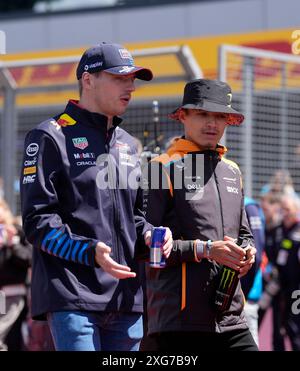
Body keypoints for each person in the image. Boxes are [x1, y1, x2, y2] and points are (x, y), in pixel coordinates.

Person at [20, 42, 172, 351]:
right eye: (120, 78)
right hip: (74, 298)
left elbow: (135, 219)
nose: (130, 87)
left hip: (127, 300)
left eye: (133, 80)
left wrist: (151, 236)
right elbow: (37, 222)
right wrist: (90, 252)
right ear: (88, 80)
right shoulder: (50, 136)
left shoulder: (128, 145)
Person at [141, 79, 257, 351]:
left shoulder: (232, 171)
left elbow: (245, 234)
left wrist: (248, 252)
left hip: (231, 317)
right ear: (183, 115)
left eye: (219, 116)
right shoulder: (161, 168)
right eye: (203, 114)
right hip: (179, 322)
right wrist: (204, 250)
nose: (212, 123)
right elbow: (146, 248)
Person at [0, 198, 32, 351]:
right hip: (1, 295)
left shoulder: (18, 231)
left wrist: (13, 244)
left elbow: (29, 258)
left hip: (16, 293)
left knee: (12, 334)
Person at [240, 196, 265, 347]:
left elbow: (258, 252)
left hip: (247, 295)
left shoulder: (249, 207)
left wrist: (245, 291)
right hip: (234, 293)